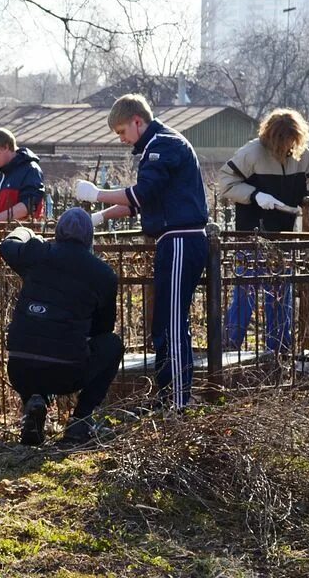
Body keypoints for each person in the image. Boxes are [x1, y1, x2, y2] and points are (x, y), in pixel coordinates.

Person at [72, 94, 209, 410]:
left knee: (172, 323)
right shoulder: (156, 146)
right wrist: (101, 217)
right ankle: (169, 399)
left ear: (137, 121)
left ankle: (177, 404)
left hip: (181, 239)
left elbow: (142, 193)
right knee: (163, 323)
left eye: (122, 131)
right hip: (173, 239)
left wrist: (98, 195)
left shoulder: (163, 144)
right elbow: (142, 202)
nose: (121, 140)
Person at [0, 208, 122, 445]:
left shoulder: (37, 254)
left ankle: (35, 403)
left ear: (57, 232)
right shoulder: (103, 274)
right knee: (112, 345)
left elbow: (7, 246)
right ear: (90, 238)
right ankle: (80, 421)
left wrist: (24, 231)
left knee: (39, 343)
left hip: (20, 368)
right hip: (67, 372)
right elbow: (103, 330)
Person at [217, 108, 309, 354]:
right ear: (271, 137)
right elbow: (225, 183)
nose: (286, 147)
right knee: (244, 295)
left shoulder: (303, 155)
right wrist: (254, 195)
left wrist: (308, 199)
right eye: (282, 140)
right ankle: (228, 350)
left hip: (284, 236)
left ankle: (279, 352)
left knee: (281, 296)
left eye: (291, 141)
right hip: (251, 236)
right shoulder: (251, 153)